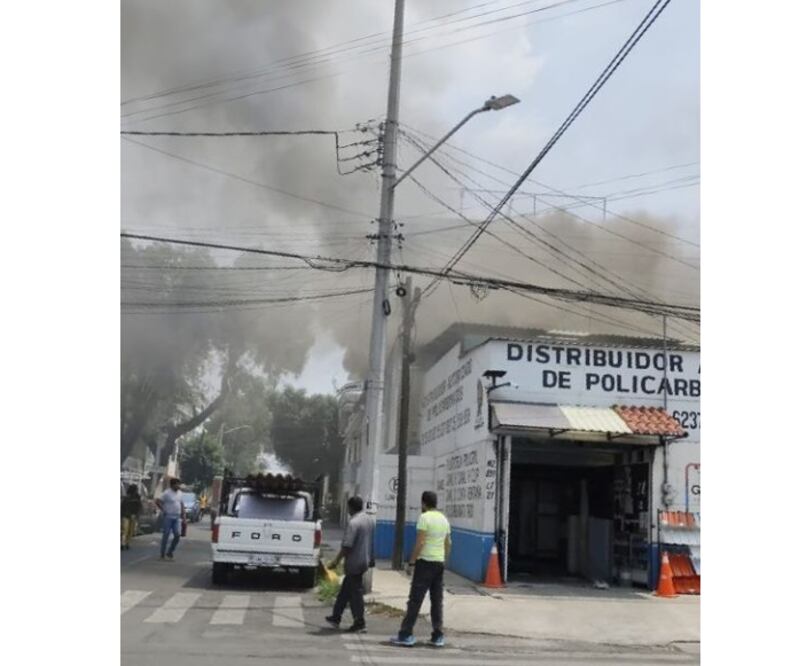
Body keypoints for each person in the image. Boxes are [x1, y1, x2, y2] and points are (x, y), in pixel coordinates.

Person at [391, 490, 451, 648]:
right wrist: (444, 559)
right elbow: (448, 543)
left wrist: (411, 562)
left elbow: (420, 543)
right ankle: (438, 635)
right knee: (437, 601)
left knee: (415, 600)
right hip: (439, 563)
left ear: (424, 503)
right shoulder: (444, 520)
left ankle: (406, 634)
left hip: (425, 563)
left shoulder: (424, 518)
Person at [325, 496, 375, 633]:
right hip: (364, 560)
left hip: (354, 563)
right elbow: (371, 541)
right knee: (345, 590)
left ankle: (359, 622)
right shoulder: (369, 520)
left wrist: (335, 561)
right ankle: (336, 617)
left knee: (355, 594)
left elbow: (347, 546)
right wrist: (372, 558)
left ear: (351, 508)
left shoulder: (354, 523)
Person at [156, 477, 186, 560]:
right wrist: (163, 509)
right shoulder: (167, 493)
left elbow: (181, 504)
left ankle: (170, 552)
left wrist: (183, 515)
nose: (179, 486)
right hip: (168, 516)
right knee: (166, 535)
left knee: (177, 535)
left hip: (177, 517)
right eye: (177, 484)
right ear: (172, 485)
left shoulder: (180, 493)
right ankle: (162, 554)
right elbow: (157, 501)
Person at [121, 484, 142, 550]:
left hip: (132, 516)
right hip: (127, 516)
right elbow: (123, 507)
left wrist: (136, 515)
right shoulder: (127, 497)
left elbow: (139, 507)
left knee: (129, 530)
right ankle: (123, 543)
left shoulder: (137, 497)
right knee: (126, 530)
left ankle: (127, 543)